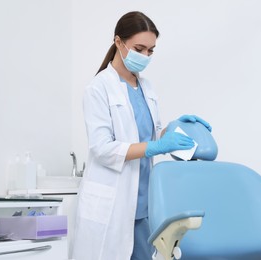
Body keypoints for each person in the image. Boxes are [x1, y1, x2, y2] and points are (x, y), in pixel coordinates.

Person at [71, 11, 212, 260]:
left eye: (151, 51)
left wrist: (178, 127)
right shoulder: (98, 88)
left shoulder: (146, 87)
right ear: (118, 42)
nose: (145, 56)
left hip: (143, 204)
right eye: (140, 48)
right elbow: (102, 148)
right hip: (112, 205)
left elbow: (154, 134)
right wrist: (153, 147)